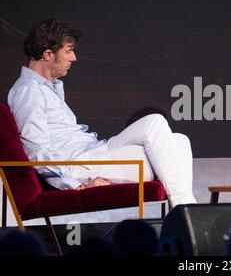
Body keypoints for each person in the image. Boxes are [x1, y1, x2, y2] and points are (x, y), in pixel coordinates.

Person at [7, 18, 196, 207]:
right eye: (68, 51)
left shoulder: (46, 87)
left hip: (94, 150)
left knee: (175, 137)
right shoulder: (29, 91)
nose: (74, 58)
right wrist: (76, 184)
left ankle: (184, 214)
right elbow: (36, 153)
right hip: (78, 165)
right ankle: (187, 213)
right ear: (48, 54)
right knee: (166, 152)